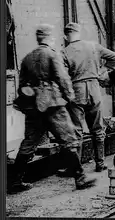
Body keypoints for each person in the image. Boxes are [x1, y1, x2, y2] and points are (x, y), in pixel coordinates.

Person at [8, 24, 96, 193]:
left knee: (28, 144)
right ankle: (80, 177)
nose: (54, 39)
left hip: (34, 107)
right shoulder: (52, 54)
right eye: (53, 37)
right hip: (53, 105)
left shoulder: (27, 58)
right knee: (69, 139)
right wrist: (69, 97)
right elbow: (62, 78)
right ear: (48, 38)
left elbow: (21, 85)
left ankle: (15, 182)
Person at [60, 22, 115, 174]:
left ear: (66, 36)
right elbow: (114, 57)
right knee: (97, 129)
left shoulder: (64, 52)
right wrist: (101, 71)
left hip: (76, 92)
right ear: (79, 33)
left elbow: (63, 77)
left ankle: (76, 169)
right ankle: (100, 163)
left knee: (76, 131)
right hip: (94, 89)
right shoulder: (93, 46)